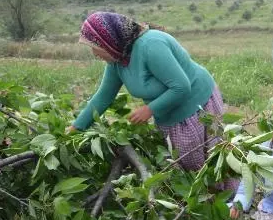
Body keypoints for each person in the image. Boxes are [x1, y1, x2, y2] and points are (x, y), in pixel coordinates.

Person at [68, 11, 226, 172]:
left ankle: (234, 196)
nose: (95, 54)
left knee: (211, 165)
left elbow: (181, 87)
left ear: (108, 41)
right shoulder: (118, 60)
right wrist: (75, 129)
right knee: (184, 167)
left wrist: (149, 109)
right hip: (168, 114)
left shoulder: (151, 46)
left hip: (197, 105)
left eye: (95, 48)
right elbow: (103, 97)